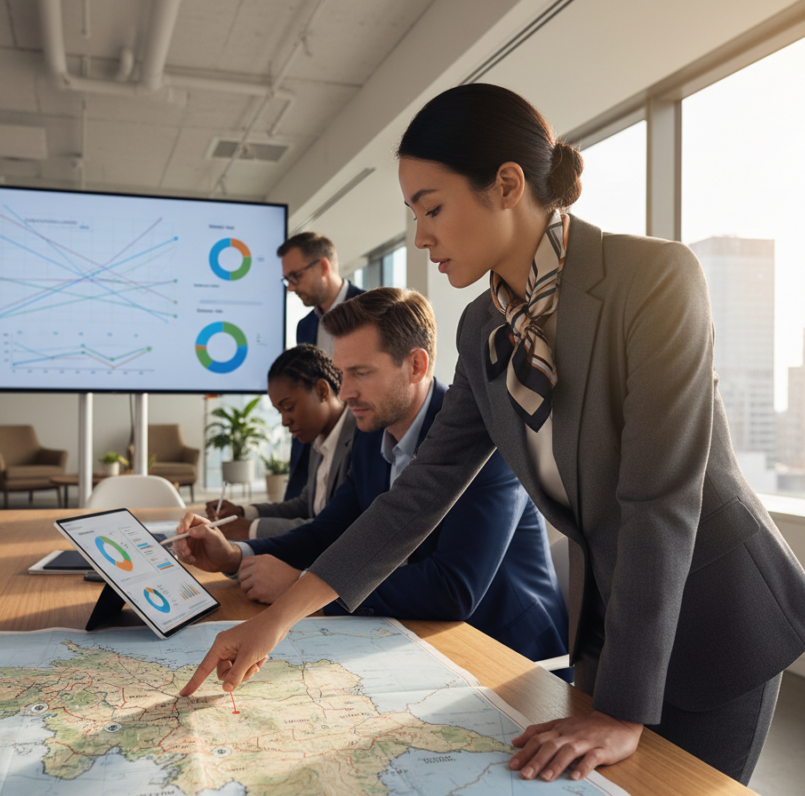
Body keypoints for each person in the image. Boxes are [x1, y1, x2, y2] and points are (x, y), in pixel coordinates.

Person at [179, 84, 805, 786]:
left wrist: (620, 709)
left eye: (433, 208)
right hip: (614, 621)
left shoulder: (653, 280)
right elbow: (417, 497)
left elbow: (659, 502)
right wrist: (278, 620)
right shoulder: (484, 328)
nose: (422, 235)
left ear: (507, 185)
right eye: (415, 214)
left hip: (716, 617)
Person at [177, 287, 569, 665]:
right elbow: (330, 532)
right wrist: (236, 555)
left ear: (416, 366)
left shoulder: (481, 438)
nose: (344, 393)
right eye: (342, 374)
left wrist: (304, 588)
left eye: (360, 373)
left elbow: (453, 588)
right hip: (413, 638)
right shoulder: (371, 438)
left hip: (507, 654)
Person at [206, 344, 357, 541]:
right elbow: (305, 506)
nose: (284, 421)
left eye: (289, 407)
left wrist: (250, 529)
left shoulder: (358, 439)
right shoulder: (320, 439)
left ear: (322, 391)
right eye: (280, 411)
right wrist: (244, 512)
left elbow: (336, 527)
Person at [279, 231, 364, 500]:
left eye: (295, 276)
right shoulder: (304, 326)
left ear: (323, 266)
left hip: (357, 441)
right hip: (311, 445)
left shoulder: (370, 309)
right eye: (287, 280)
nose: (291, 287)